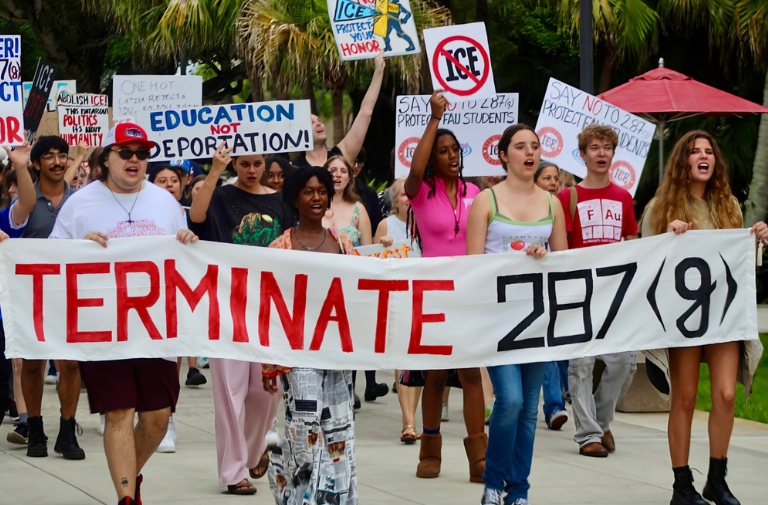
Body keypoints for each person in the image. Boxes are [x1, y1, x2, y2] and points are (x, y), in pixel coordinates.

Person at [49, 122, 197, 505]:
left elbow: (185, 258)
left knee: (157, 419)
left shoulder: (165, 201)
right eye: (126, 153)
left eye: (142, 154)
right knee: (119, 411)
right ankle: (127, 498)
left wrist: (188, 242)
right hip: (105, 329)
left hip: (156, 329)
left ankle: (131, 475)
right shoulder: (79, 203)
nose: (135, 160)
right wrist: (79, 248)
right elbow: (50, 259)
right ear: (106, 158)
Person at [641, 130, 768, 505]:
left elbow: (737, 259)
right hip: (684, 319)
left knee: (727, 394)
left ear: (716, 161)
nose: (703, 156)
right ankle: (682, 485)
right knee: (684, 397)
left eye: (709, 151)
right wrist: (669, 234)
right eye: (695, 151)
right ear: (682, 161)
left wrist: (756, 236)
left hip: (723, 316)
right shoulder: (660, 206)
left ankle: (717, 478)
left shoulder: (729, 204)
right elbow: (646, 259)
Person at [467, 124, 567, 505]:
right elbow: (472, 267)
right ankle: (494, 483)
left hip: (538, 319)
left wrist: (545, 260)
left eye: (535, 147)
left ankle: (518, 491)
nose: (529, 152)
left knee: (528, 410)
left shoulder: (552, 203)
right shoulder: (485, 201)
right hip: (498, 319)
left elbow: (565, 264)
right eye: (520, 146)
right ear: (503, 154)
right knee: (508, 401)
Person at [189, 142, 289, 495]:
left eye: (257, 163)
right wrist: (215, 171)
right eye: (244, 163)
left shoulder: (281, 199)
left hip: (270, 306)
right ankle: (233, 473)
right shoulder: (219, 194)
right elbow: (196, 219)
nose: (251, 170)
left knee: (267, 390)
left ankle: (254, 447)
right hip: (226, 302)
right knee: (229, 391)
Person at [262, 165, 357, 505]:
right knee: (305, 427)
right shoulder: (279, 248)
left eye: (321, 191)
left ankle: (337, 498)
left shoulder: (344, 243)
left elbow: (363, 296)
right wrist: (269, 365)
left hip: (339, 353)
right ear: (294, 198)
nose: (316, 197)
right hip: (297, 353)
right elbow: (269, 310)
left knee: (339, 432)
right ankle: (297, 495)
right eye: (308, 191)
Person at [405, 90, 486, 483]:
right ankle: (430, 450)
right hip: (433, 292)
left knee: (471, 375)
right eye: (444, 151)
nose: (453, 156)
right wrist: (434, 119)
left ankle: (479, 459)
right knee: (435, 376)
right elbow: (414, 174)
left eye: (456, 150)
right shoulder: (421, 193)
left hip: (469, 293)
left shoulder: (477, 195)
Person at [556, 124, 638, 458]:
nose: (601, 153)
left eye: (607, 147)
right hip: (579, 292)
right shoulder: (568, 197)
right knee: (582, 364)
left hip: (614, 293)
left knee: (624, 362)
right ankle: (588, 433)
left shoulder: (624, 197)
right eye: (594, 147)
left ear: (613, 154)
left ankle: (602, 422)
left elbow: (632, 244)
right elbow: (563, 248)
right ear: (583, 154)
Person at [21, 136, 84, 460]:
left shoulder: (83, 201)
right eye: (49, 156)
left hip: (72, 294)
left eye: (63, 156)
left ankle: (67, 430)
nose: (58, 162)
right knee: (33, 365)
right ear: (35, 163)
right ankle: (34, 429)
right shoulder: (26, 201)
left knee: (71, 365)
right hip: (32, 294)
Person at [148, 163, 208, 391]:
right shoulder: (143, 212)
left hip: (179, 285)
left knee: (175, 349)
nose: (169, 184)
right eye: (162, 181)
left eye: (173, 180)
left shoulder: (190, 213)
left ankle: (169, 411)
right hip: (150, 286)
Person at [374, 177, 422, 442]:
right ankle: (409, 422)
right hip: (396, 299)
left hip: (424, 299)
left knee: (419, 359)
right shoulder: (386, 224)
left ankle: (412, 416)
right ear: (395, 201)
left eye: (413, 194)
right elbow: (370, 261)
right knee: (403, 357)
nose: (409, 198)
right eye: (404, 194)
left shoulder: (428, 224)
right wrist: (383, 246)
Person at [0, 142, 37, 445]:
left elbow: (27, 202)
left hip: (7, 308)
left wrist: (21, 167)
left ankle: (25, 419)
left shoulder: (5, 219)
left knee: (17, 363)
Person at [291, 54, 384, 169]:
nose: (319, 123)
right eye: (311, 123)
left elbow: (365, 112)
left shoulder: (342, 155)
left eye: (319, 120)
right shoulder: (293, 168)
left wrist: (379, 70)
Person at [533, 161, 569, 430]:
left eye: (556, 178)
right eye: (546, 178)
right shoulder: (522, 210)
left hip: (556, 287)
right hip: (529, 292)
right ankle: (554, 406)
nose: (553, 183)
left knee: (556, 350)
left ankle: (559, 401)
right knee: (544, 350)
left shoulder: (560, 208)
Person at [352, 147, 383, 232]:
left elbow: (376, 229)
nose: (356, 166)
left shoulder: (369, 193)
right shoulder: (331, 190)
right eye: (353, 161)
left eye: (360, 162)